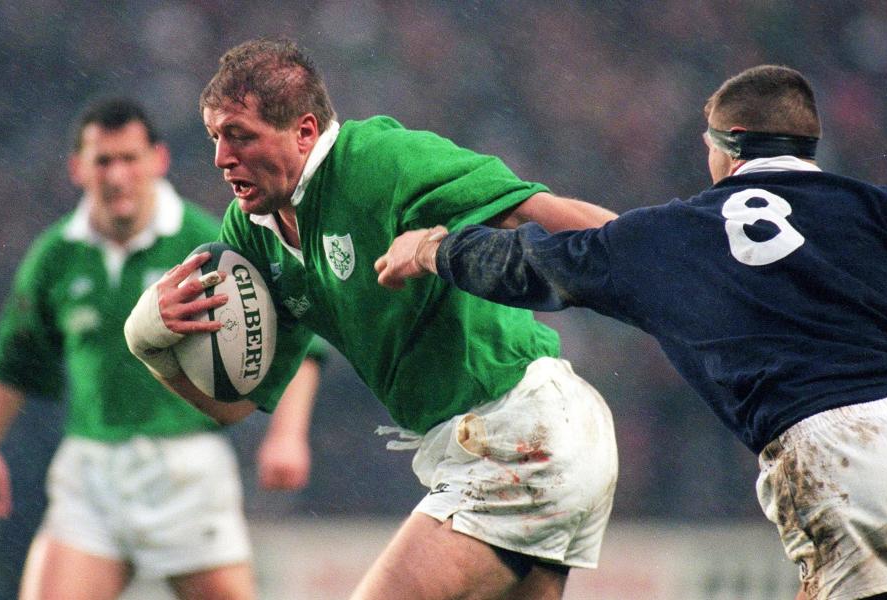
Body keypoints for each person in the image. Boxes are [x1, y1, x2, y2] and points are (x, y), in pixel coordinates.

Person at [376, 64, 887, 600]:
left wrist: (431, 249)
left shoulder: (676, 233)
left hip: (839, 456)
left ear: (728, 146)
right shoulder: (883, 211)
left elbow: (533, 265)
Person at [123, 38, 619, 600]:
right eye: (215, 136)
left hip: (525, 430)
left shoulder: (381, 161)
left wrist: (660, 263)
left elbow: (541, 211)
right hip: (490, 444)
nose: (221, 158)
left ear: (305, 131)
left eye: (240, 135)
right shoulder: (250, 235)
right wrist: (150, 345)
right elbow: (237, 404)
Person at [0, 97, 323, 600]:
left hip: (187, 471)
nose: (117, 176)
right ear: (77, 168)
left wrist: (288, 435)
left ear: (158, 160)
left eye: (129, 159)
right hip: (91, 473)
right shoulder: (55, 256)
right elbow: (15, 358)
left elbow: (300, 332)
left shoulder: (208, 241)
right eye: (102, 160)